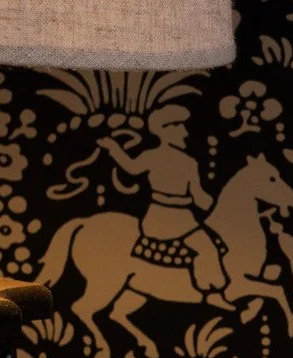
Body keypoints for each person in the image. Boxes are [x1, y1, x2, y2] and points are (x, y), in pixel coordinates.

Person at [97, 106, 227, 292]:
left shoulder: (165, 158)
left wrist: (114, 148)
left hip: (164, 218)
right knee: (209, 248)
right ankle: (210, 289)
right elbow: (199, 197)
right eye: (179, 126)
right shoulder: (187, 162)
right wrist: (210, 203)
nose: (185, 132)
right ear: (165, 130)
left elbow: (131, 167)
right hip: (177, 221)